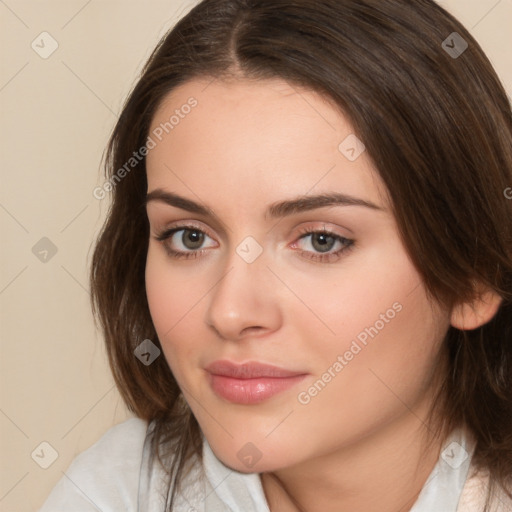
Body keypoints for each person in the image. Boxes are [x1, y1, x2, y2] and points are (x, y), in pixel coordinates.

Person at [39, 0, 512, 510]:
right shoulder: (109, 492)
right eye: (190, 237)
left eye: (320, 240)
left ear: (472, 274)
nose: (230, 312)